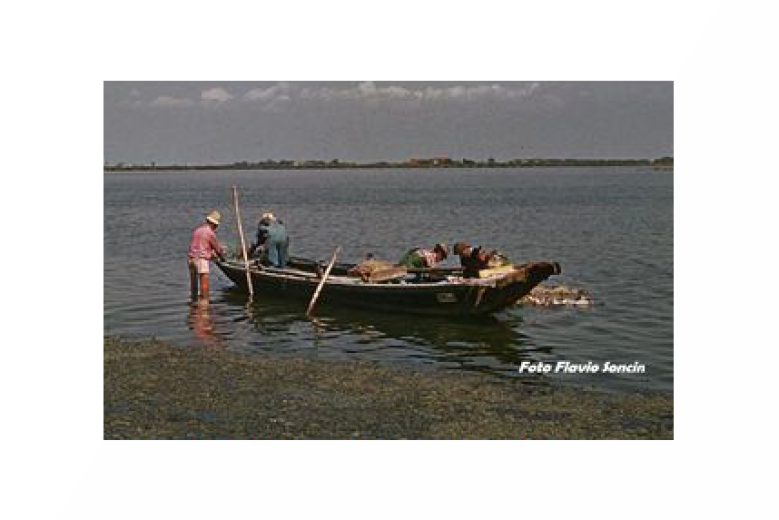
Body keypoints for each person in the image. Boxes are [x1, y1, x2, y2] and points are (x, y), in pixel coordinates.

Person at [187, 210, 225, 302]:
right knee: (204, 288)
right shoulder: (210, 233)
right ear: (214, 224)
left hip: (191, 259)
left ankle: (194, 305)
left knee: (194, 287)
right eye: (216, 225)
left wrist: (212, 253)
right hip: (201, 260)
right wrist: (222, 258)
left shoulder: (198, 230)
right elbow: (217, 249)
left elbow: (199, 246)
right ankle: (204, 308)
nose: (216, 227)